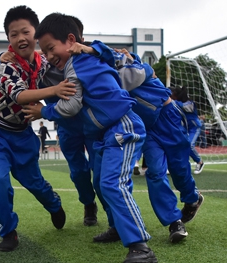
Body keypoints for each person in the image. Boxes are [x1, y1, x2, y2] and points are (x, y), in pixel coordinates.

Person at [25, 13, 157, 263]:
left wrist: (43, 111)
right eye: (44, 51)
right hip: (106, 133)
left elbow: (71, 106)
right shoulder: (84, 59)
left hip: (122, 126)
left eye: (51, 48)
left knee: (112, 183)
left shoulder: (78, 63)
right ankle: (117, 228)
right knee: (100, 183)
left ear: (71, 40)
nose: (48, 56)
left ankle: (140, 246)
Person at [75, 41, 204, 242]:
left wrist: (93, 49)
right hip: (146, 126)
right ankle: (174, 222)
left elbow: (130, 61)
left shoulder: (126, 62)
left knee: (180, 169)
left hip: (167, 117)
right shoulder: (95, 77)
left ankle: (192, 198)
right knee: (156, 172)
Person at [0, 5, 76, 252]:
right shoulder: (6, 65)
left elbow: (60, 56)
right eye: (14, 34)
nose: (20, 38)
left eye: (25, 32)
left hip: (22, 136)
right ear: (8, 38)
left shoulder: (43, 62)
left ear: (36, 34)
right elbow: (20, 95)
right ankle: (8, 231)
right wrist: (54, 90)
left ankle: (54, 205)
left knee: (34, 182)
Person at [171, 87, 205, 174]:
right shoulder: (177, 104)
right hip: (186, 128)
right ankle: (182, 165)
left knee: (190, 144)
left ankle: (199, 162)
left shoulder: (189, 103)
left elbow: (183, 107)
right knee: (180, 144)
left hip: (195, 127)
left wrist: (171, 101)